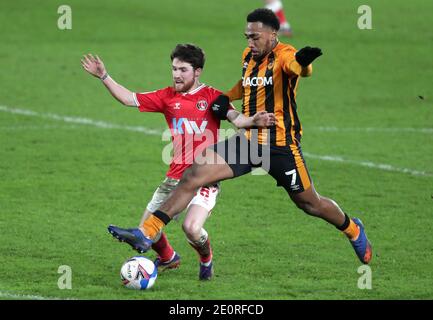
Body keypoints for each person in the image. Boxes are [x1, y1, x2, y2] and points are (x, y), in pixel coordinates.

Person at [108, 9, 372, 267]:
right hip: (248, 142)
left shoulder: (285, 55)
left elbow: (296, 69)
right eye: (247, 36)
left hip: (281, 146)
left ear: (273, 34)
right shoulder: (249, 56)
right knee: (193, 174)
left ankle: (352, 229)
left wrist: (305, 64)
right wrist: (225, 97)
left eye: (255, 37)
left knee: (309, 203)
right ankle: (147, 231)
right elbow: (246, 84)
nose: (249, 42)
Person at [81, 44, 276, 280]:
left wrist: (254, 119)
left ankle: (206, 259)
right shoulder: (166, 97)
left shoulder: (214, 98)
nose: (176, 74)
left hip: (205, 178)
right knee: (146, 232)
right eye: (174, 69)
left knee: (191, 228)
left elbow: (238, 120)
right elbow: (128, 99)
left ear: (197, 72)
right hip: (174, 178)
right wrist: (104, 76)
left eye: (183, 69)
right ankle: (168, 258)